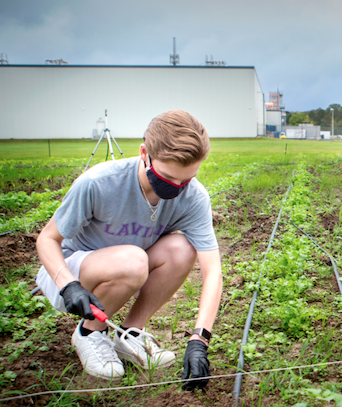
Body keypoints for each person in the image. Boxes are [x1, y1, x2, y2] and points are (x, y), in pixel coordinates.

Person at [35, 110, 222, 388]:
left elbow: (212, 270)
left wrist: (199, 339)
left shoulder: (193, 197)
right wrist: (68, 284)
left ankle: (130, 335)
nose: (178, 187)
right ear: (144, 153)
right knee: (133, 261)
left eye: (187, 179)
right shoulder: (99, 183)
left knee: (182, 248)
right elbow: (47, 239)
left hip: (130, 269)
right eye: (169, 177)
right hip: (72, 277)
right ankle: (89, 333)